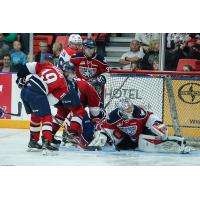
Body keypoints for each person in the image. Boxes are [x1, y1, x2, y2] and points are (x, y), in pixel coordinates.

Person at [16, 62, 83, 153]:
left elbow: (29, 66)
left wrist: (19, 77)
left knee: (35, 116)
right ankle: (47, 143)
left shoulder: (50, 65)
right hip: (37, 93)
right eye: (71, 73)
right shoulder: (64, 86)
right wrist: (42, 103)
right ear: (66, 72)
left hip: (25, 90)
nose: (72, 76)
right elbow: (51, 101)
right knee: (46, 116)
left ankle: (33, 142)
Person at [90, 97, 191, 153]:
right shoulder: (113, 116)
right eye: (128, 109)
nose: (131, 110)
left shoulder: (139, 112)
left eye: (131, 107)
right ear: (121, 110)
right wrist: (102, 134)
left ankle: (175, 142)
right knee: (104, 136)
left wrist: (157, 124)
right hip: (128, 138)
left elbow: (151, 116)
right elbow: (103, 125)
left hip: (141, 131)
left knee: (158, 131)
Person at [51, 62, 105, 147]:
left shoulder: (74, 82)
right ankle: (72, 133)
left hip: (66, 99)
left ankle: (52, 134)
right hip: (72, 102)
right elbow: (94, 112)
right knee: (79, 112)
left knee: (62, 114)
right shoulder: (84, 85)